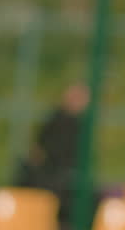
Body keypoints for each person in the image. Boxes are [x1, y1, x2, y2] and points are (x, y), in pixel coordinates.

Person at [15, 83, 91, 219]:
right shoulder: (55, 117)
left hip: (66, 180)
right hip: (50, 176)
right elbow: (37, 148)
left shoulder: (82, 125)